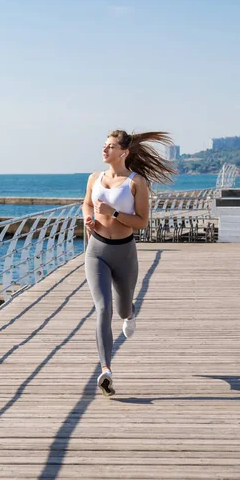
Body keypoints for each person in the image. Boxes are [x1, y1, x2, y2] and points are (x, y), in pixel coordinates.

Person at [82, 129, 176, 396]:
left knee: (123, 307)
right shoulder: (94, 179)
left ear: (123, 152)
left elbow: (141, 222)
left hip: (124, 252)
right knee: (103, 308)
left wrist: (113, 212)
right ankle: (106, 370)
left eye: (110, 146)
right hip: (96, 250)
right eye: (104, 145)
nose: (105, 150)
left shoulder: (137, 182)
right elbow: (86, 204)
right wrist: (89, 218)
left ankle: (130, 313)